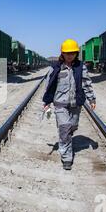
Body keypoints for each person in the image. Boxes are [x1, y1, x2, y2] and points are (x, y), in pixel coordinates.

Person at [43, 39, 96, 170]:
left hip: (75, 104)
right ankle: (66, 157)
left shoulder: (80, 67)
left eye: (73, 53)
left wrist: (91, 99)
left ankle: (67, 140)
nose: (70, 55)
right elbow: (49, 85)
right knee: (64, 128)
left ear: (76, 53)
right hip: (60, 104)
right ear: (63, 53)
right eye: (67, 53)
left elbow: (86, 83)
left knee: (72, 127)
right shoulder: (56, 67)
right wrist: (47, 102)